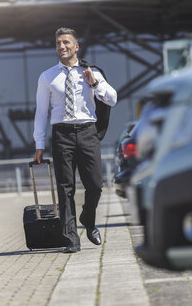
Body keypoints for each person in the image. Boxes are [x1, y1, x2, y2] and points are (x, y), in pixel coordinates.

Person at [33, 27, 117, 253]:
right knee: (65, 188)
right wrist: (39, 144)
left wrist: (95, 84)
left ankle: (88, 220)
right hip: (62, 134)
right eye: (58, 43)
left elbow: (112, 99)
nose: (62, 47)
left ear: (76, 46)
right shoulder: (47, 77)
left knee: (96, 185)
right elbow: (41, 113)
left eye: (66, 43)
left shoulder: (92, 72)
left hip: (88, 131)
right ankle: (71, 239)